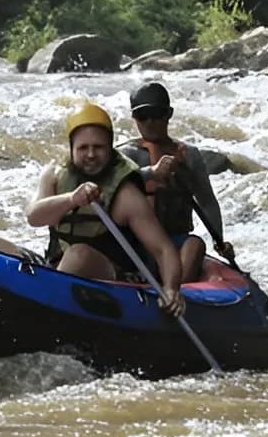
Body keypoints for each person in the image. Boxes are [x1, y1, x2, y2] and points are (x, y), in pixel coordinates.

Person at [25, 103, 185, 317]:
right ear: (72, 148)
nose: (91, 154)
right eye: (83, 148)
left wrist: (171, 288)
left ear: (110, 148)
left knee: (78, 255)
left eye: (98, 147)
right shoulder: (54, 176)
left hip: (116, 278)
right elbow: (34, 217)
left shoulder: (125, 193)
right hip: (56, 267)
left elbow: (163, 250)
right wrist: (72, 199)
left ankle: (43, 314)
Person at [117, 82, 234, 282]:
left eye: (157, 114)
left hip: (176, 240)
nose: (150, 122)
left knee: (196, 244)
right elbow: (110, 189)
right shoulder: (125, 156)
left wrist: (219, 241)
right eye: (142, 116)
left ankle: (179, 293)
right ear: (134, 118)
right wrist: (150, 173)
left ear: (168, 114)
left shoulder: (189, 156)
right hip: (137, 241)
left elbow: (207, 201)